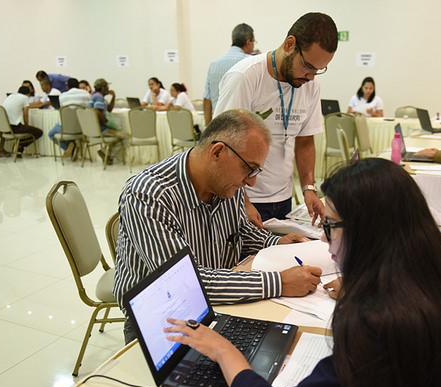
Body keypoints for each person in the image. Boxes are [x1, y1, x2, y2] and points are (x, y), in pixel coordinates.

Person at [164, 158, 441, 387]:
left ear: (366, 232)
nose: (326, 241)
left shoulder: (379, 322)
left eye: (332, 226)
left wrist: (226, 353)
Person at [113, 109, 322, 344]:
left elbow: (240, 230)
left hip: (218, 305)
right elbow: (186, 283)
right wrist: (279, 282)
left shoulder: (225, 183)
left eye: (256, 171)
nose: (251, 181)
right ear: (218, 152)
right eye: (248, 168)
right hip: (162, 318)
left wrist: (275, 242)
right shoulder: (150, 194)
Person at [215, 12, 338, 226]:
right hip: (244, 198)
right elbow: (223, 145)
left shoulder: (310, 85)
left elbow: (305, 141)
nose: (311, 77)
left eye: (318, 71)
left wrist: (308, 188)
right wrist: (242, 202)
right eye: (308, 67)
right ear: (290, 44)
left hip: (283, 198)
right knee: (248, 260)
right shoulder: (246, 77)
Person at [203, 23, 256, 125]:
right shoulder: (252, 63)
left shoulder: (214, 64)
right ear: (248, 41)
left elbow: (207, 98)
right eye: (254, 42)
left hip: (218, 125)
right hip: (242, 126)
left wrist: (208, 127)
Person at [47, 78, 90, 156]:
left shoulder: (62, 96)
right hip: (82, 127)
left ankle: (69, 146)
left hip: (66, 128)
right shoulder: (86, 94)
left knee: (51, 134)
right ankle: (72, 146)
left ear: (67, 87)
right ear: (78, 86)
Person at [89, 78, 124, 165]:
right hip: (102, 129)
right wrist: (106, 121)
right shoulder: (99, 97)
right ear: (103, 88)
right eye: (107, 87)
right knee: (123, 135)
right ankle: (105, 152)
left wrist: (113, 97)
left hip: (93, 129)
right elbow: (97, 110)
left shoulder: (93, 95)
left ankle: (106, 154)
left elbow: (109, 109)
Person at [1, 85, 43, 156]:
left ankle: (19, 147)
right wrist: (26, 125)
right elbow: (25, 113)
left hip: (4, 128)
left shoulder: (10, 96)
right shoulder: (24, 98)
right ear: (28, 94)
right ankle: (19, 145)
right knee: (38, 132)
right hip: (14, 127)